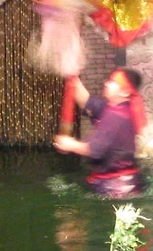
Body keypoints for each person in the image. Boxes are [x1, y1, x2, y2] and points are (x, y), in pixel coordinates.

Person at [52, 68, 146, 197]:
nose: (106, 83)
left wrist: (69, 144)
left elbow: (94, 149)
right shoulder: (115, 108)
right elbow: (87, 102)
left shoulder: (116, 116)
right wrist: (73, 77)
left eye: (112, 82)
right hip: (124, 183)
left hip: (115, 188)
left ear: (125, 92)